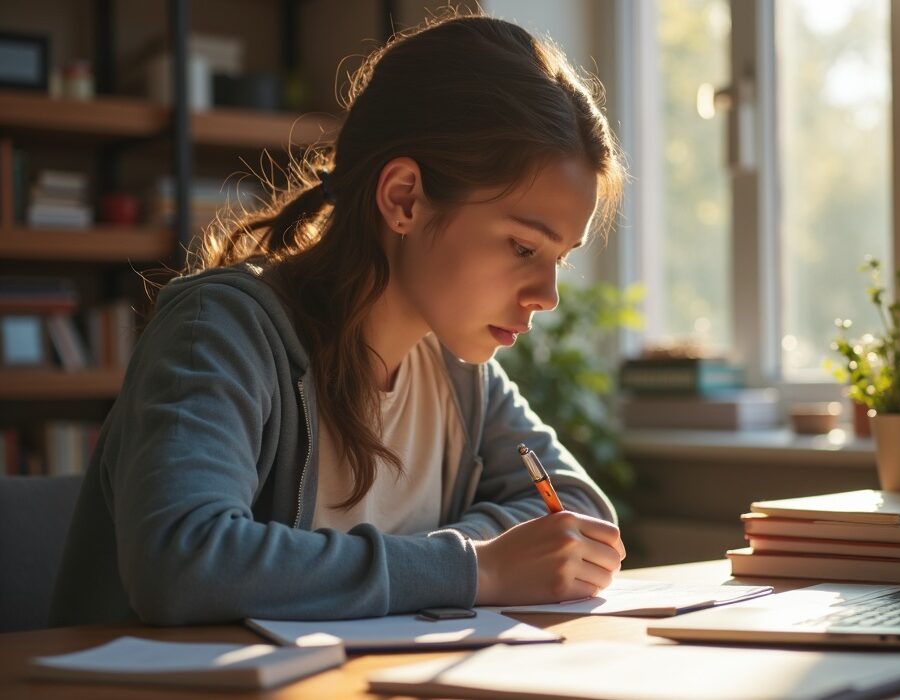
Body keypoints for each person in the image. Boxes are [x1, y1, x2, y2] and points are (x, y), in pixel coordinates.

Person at [50, 12, 627, 627]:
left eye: (560, 258)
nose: (548, 295)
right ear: (403, 197)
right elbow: (183, 560)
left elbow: (577, 509)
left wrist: (474, 558)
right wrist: (477, 567)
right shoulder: (221, 331)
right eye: (522, 248)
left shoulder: (459, 373)